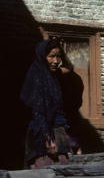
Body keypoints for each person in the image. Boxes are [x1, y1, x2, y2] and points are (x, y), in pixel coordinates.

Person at [20, 39, 74, 169]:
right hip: (43, 133)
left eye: (58, 56)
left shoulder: (51, 74)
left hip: (55, 130)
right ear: (41, 56)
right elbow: (38, 112)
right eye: (51, 56)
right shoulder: (37, 76)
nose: (56, 61)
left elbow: (69, 68)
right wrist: (48, 138)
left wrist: (60, 49)